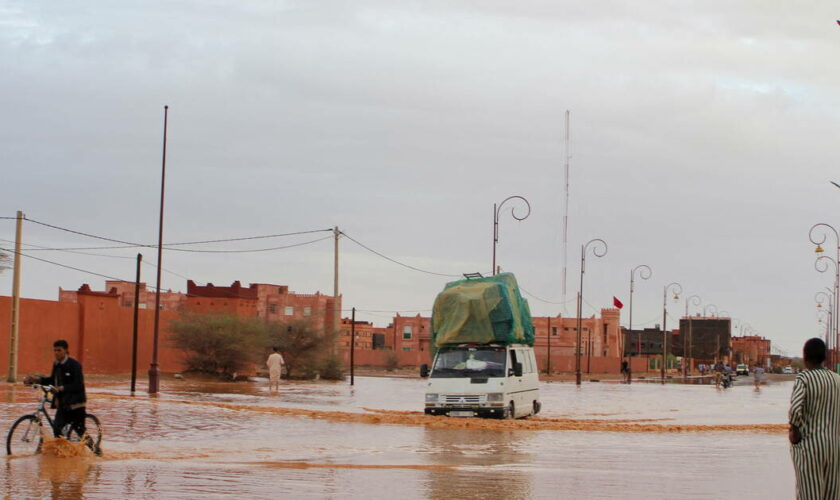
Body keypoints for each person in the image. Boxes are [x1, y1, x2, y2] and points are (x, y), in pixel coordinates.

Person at [789, 338, 840, 499]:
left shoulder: (804, 378)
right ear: (825, 357)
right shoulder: (837, 379)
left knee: (809, 494)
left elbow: (796, 409)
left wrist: (794, 432)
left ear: (805, 357)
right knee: (832, 493)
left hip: (809, 447)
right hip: (834, 447)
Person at [23, 340, 87, 439]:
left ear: (65, 351)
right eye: (55, 350)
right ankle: (62, 453)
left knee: (81, 433)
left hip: (76, 405)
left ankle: (96, 451)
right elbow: (52, 380)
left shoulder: (75, 365)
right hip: (63, 403)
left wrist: (61, 388)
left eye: (59, 350)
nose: (56, 353)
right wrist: (36, 380)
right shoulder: (56, 364)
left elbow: (78, 385)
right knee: (57, 429)